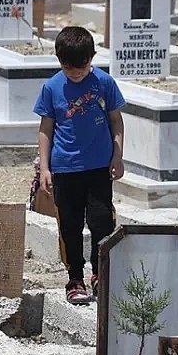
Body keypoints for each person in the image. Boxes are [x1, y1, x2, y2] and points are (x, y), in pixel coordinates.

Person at [33, 26, 126, 305]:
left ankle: (101, 272)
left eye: (81, 66)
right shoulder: (51, 87)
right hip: (65, 168)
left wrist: (118, 155)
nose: (75, 72)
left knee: (101, 221)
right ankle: (75, 277)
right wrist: (45, 168)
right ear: (59, 60)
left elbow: (115, 120)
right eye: (68, 66)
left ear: (92, 58)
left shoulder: (104, 82)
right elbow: (46, 128)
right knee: (70, 226)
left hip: (99, 167)